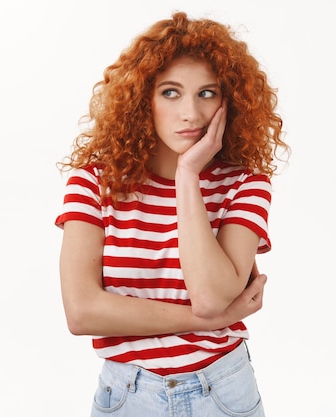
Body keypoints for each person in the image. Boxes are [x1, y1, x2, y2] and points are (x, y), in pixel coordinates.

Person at [55, 11, 290, 417]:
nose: (190, 114)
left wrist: (187, 175)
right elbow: (82, 312)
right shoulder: (93, 183)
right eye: (170, 92)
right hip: (127, 395)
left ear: (228, 100)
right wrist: (207, 322)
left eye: (207, 93)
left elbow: (212, 296)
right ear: (142, 97)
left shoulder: (245, 184)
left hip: (222, 391)